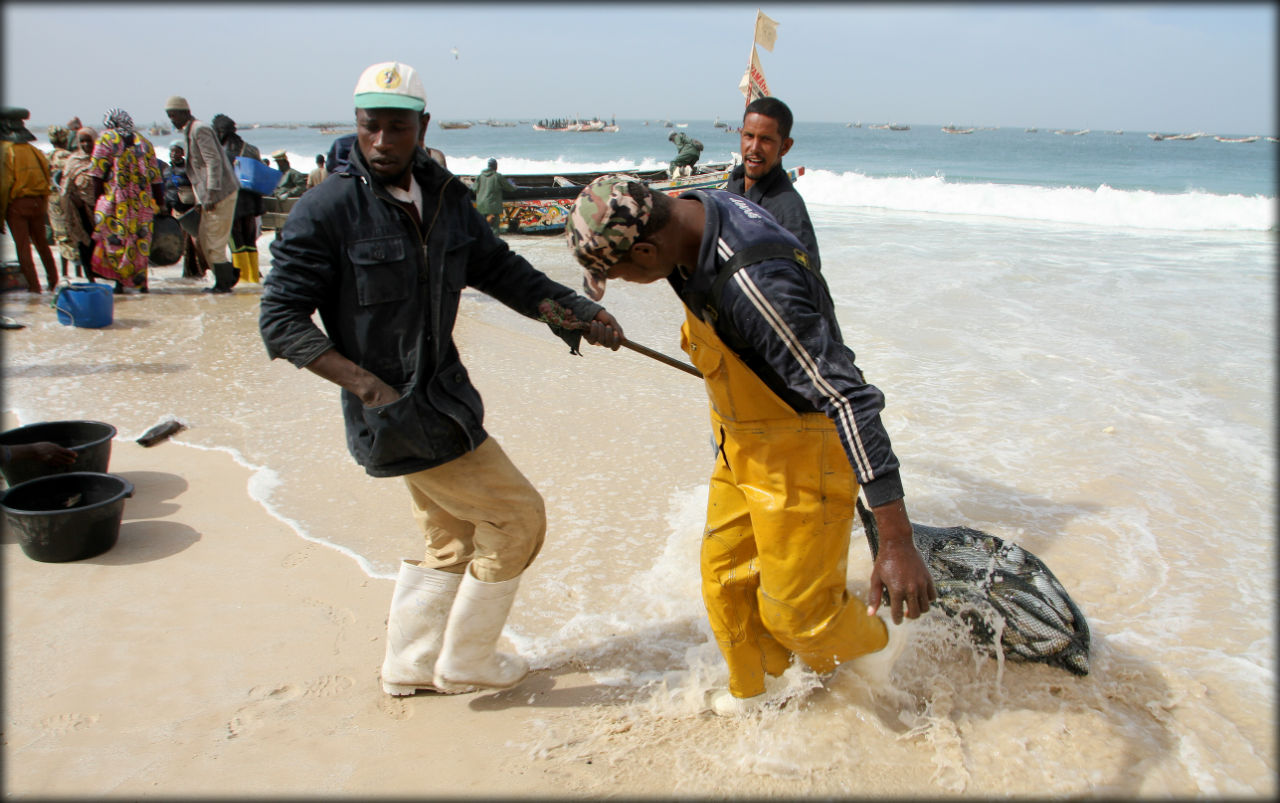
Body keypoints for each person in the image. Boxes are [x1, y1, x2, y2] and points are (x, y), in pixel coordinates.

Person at [258, 61, 624, 698]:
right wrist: (368, 388)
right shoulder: (326, 210)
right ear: (357, 125)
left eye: (396, 128)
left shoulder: (448, 198)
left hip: (447, 396)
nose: (381, 142)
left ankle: (411, 664)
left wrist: (579, 313)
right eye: (370, 127)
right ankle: (468, 661)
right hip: (399, 414)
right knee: (518, 519)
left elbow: (503, 270)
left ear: (421, 127)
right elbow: (279, 319)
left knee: (451, 536)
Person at [565, 176, 937, 716]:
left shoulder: (757, 284)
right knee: (724, 581)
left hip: (802, 446)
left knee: (797, 615)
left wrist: (896, 540)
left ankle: (882, 645)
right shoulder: (688, 214)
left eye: (622, 272)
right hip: (741, 439)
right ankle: (758, 691)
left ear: (648, 249)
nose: (624, 281)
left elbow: (850, 399)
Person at [726, 96, 821, 272]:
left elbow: (807, 280)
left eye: (765, 140)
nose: (754, 147)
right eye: (749, 136)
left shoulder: (788, 211)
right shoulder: (734, 184)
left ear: (785, 147)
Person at [164, 96, 239, 293]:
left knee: (214, 241)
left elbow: (212, 162)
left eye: (173, 115)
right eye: (168, 116)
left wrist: (210, 195)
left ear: (184, 112)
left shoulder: (199, 129)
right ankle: (228, 276)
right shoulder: (190, 131)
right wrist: (200, 198)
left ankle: (224, 284)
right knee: (205, 241)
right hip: (208, 195)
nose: (171, 120)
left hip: (220, 194)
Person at [87, 109, 164, 294]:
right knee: (140, 243)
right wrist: (161, 204)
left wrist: (95, 202)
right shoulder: (144, 142)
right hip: (142, 205)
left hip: (115, 204)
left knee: (116, 242)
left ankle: (120, 283)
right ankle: (141, 283)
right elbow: (156, 178)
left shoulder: (105, 139)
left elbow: (96, 175)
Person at [0, 107, 60, 293]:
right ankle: (54, 283)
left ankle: (34, 288)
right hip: (38, 203)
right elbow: (47, 179)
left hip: (17, 206)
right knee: (42, 245)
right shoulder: (35, 150)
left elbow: (4, 187)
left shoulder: (5, 151)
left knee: (23, 248)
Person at [212, 114, 263, 285]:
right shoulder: (251, 149)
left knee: (236, 242)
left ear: (220, 132)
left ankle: (242, 281)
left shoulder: (222, 153)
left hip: (232, 203)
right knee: (250, 242)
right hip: (251, 202)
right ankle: (253, 278)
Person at [58, 126, 99, 281]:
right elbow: (65, 187)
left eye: (89, 141)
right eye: (82, 141)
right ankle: (90, 279)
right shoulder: (73, 161)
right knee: (84, 245)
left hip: (101, 210)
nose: (86, 144)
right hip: (80, 211)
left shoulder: (102, 159)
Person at [164, 140, 209, 279]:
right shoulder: (166, 170)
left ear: (182, 153)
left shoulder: (188, 169)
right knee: (181, 244)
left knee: (196, 242)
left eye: (177, 151)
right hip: (174, 210)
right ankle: (189, 273)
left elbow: (197, 185)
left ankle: (205, 270)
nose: (174, 154)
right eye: (172, 151)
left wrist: (198, 202)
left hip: (190, 210)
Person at [45, 125, 78, 278]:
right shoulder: (70, 157)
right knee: (75, 234)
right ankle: (79, 272)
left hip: (52, 200)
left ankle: (64, 274)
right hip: (69, 199)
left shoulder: (47, 157)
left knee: (61, 237)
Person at [472, 157, 514, 234]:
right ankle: (494, 244)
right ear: (495, 166)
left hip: (481, 206)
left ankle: (482, 244)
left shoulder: (479, 176)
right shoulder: (497, 176)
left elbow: (474, 189)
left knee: (482, 227)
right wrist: (514, 186)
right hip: (493, 207)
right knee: (494, 228)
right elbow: (510, 188)